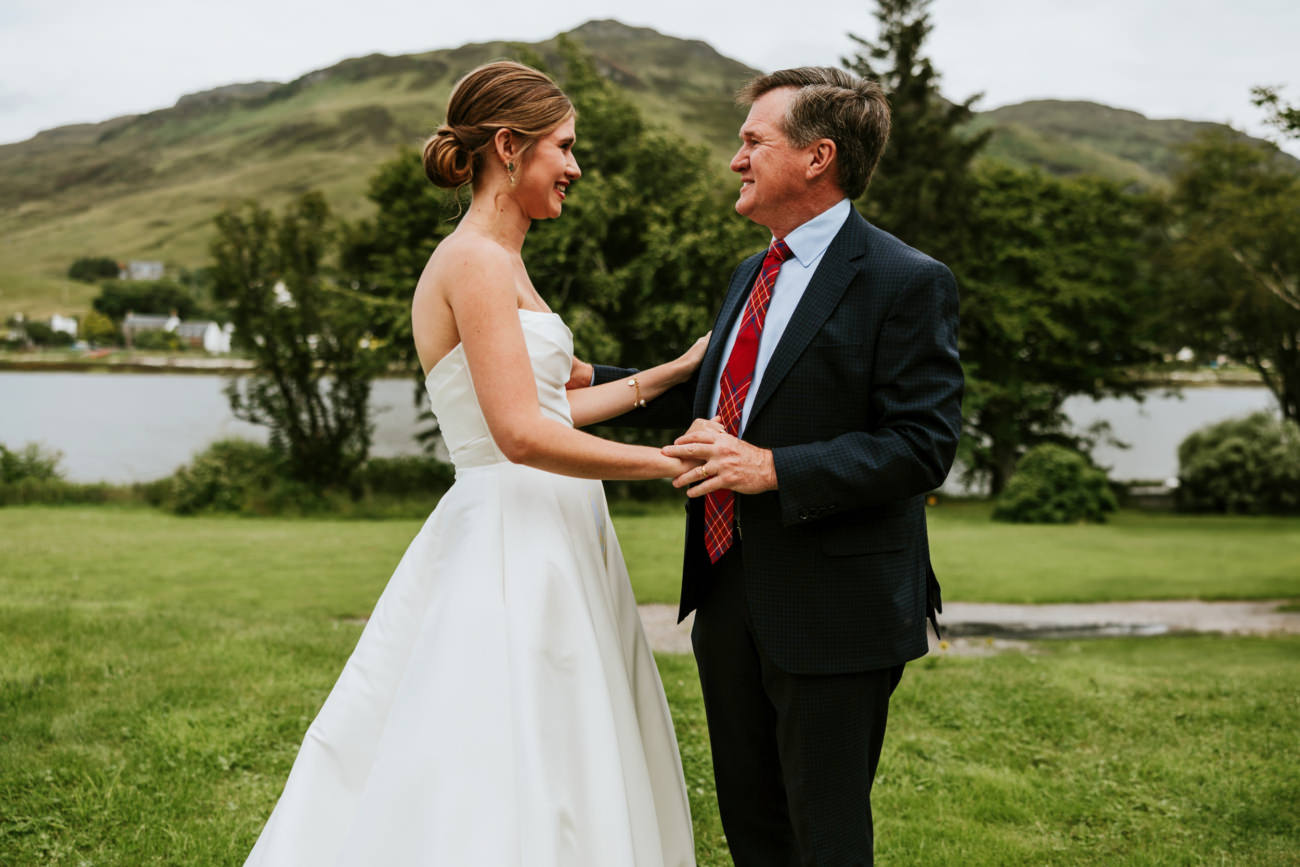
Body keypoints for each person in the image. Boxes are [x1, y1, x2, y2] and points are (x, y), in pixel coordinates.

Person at [244, 61, 703, 867]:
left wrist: (673, 372)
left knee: (568, 726)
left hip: (557, 521)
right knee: (504, 732)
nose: (575, 166)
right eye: (563, 147)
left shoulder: (505, 259)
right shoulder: (475, 263)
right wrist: (667, 464)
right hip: (510, 529)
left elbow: (553, 402)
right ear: (507, 146)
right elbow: (520, 433)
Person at [582, 67, 963, 864]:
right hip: (727, 593)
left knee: (822, 835)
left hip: (836, 606)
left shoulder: (906, 280)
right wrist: (572, 378)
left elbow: (923, 443)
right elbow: (716, 391)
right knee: (754, 831)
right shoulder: (749, 274)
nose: (736, 158)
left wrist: (773, 468)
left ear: (818, 156)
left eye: (754, 140)